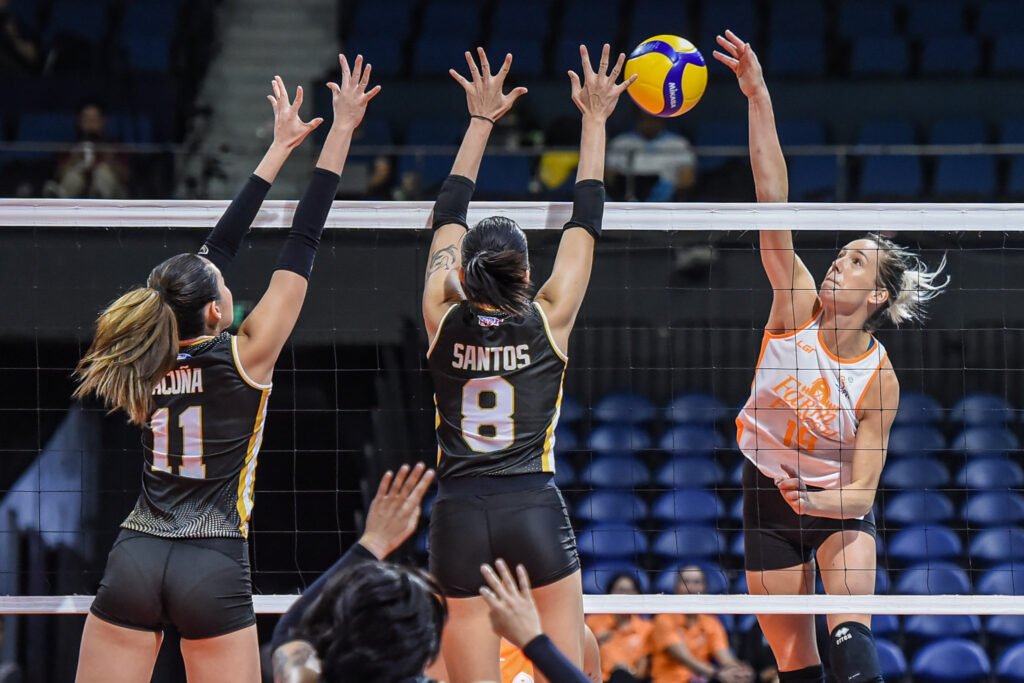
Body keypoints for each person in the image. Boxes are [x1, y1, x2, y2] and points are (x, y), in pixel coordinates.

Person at [72, 55, 379, 683]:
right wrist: (340, 131)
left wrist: (277, 151)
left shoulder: (145, 353)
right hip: (210, 561)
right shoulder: (248, 353)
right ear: (217, 310)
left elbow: (214, 251)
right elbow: (303, 241)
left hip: (136, 550)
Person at [715, 30, 948, 683]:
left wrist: (814, 499)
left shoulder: (880, 380)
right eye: (839, 253)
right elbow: (773, 194)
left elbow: (862, 492)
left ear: (874, 293)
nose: (834, 263)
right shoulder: (791, 305)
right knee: (795, 660)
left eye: (852, 261)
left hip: (838, 501)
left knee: (850, 634)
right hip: (765, 493)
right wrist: (758, 95)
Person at [421, 44, 634, 683]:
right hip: (532, 509)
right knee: (568, 669)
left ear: (460, 274)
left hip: (457, 511)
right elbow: (587, 217)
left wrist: (480, 121)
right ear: (528, 273)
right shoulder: (550, 315)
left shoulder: (440, 313)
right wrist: (594, 119)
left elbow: (447, 214)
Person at [649, 566, 754, 683]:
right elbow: (686, 659)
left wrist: (739, 670)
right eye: (686, 582)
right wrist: (717, 674)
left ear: (704, 587)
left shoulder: (711, 622)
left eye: (697, 582)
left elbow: (724, 656)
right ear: (676, 587)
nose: (691, 587)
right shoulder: (663, 619)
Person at [606, 111, 696, 202]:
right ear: (636, 120)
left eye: (654, 119)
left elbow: (688, 178)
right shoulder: (620, 142)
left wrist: (671, 189)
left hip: (667, 199)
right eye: (643, 119)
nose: (648, 123)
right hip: (627, 197)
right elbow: (609, 176)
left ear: (663, 119)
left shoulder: (678, 143)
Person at [47, 101, 131, 199]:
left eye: (95, 119)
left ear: (103, 121)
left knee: (103, 172)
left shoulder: (115, 146)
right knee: (74, 175)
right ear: (79, 121)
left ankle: (98, 198)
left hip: (113, 197)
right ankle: (60, 198)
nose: (91, 124)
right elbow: (57, 175)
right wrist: (73, 159)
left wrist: (109, 158)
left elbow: (127, 178)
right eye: (87, 119)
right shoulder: (69, 147)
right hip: (76, 197)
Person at [585, 573, 652, 683]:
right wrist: (595, 642)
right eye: (620, 590)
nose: (624, 596)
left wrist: (627, 671)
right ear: (610, 593)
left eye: (629, 591)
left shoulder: (646, 628)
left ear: (637, 595)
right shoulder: (593, 622)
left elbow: (642, 672)